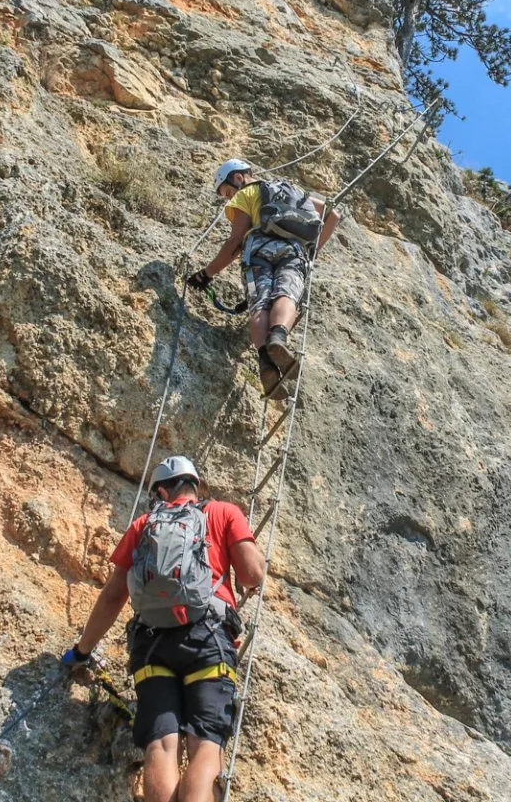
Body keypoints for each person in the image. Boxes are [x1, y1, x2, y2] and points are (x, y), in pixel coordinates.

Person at [61, 456, 265, 802]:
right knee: (204, 743)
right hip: (208, 640)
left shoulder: (144, 523)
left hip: (152, 644)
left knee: (161, 743)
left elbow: (113, 595)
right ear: (194, 485)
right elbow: (251, 575)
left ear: (160, 490)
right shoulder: (224, 513)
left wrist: (82, 651)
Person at [187, 159, 341, 399]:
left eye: (227, 192)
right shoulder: (291, 192)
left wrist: (206, 274)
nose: (229, 198)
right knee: (286, 295)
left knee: (260, 304)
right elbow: (334, 216)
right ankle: (279, 337)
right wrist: (312, 253)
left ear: (238, 178)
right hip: (294, 252)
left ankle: (266, 365)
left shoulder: (245, 195)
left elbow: (235, 242)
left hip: (258, 252)